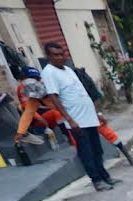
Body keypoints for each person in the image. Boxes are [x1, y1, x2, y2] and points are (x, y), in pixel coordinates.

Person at [39, 42, 118, 191]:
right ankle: (97, 181)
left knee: (97, 149)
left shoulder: (68, 70)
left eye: (62, 54)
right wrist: (69, 120)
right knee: (86, 152)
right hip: (76, 121)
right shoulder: (49, 72)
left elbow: (82, 93)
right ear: (48, 56)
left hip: (89, 117)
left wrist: (96, 114)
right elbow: (54, 98)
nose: (60, 57)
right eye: (56, 55)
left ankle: (105, 176)